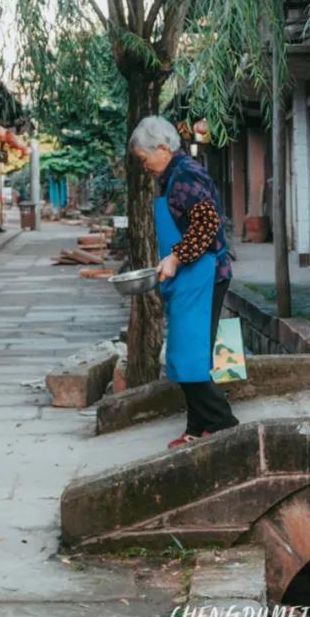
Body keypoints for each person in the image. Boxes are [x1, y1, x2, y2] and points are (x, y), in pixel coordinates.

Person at [129, 116, 239, 448]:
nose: (145, 166)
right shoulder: (173, 176)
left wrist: (175, 258)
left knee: (191, 358)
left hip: (204, 276)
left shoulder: (186, 176)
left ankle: (225, 424)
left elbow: (206, 226)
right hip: (190, 279)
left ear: (162, 148)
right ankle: (197, 427)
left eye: (145, 158)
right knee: (185, 356)